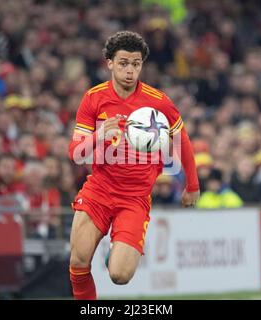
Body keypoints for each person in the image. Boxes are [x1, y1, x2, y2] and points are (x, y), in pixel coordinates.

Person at [67, 31, 200, 300]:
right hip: (99, 192)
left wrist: (192, 185)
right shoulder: (93, 98)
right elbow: (75, 152)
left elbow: (181, 138)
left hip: (135, 199)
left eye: (136, 64)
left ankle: (117, 247)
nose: (130, 70)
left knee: (120, 276)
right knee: (79, 261)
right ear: (110, 63)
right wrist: (98, 136)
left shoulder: (158, 102)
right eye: (124, 63)